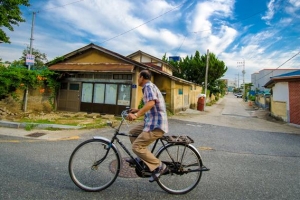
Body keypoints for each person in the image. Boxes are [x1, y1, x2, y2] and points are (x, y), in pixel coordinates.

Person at [127, 69, 169, 182]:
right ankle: (142, 158)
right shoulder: (149, 87)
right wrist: (138, 110)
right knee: (133, 133)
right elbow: (150, 105)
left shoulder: (148, 87)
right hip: (150, 122)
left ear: (142, 78)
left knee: (136, 146)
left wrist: (136, 115)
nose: (137, 79)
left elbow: (151, 103)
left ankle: (160, 166)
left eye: (138, 77)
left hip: (156, 125)